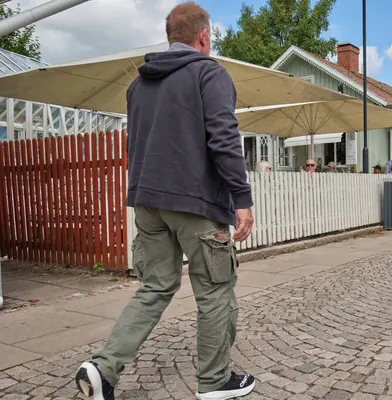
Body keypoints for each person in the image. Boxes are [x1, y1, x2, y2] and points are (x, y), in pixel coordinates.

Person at [74, 4, 256, 400]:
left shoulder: (137, 86)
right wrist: (241, 198)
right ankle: (214, 382)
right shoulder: (210, 73)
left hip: (147, 200)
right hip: (195, 201)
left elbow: (135, 143)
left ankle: (104, 368)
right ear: (204, 36)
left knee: (154, 288)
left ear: (171, 36)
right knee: (215, 288)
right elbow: (224, 139)